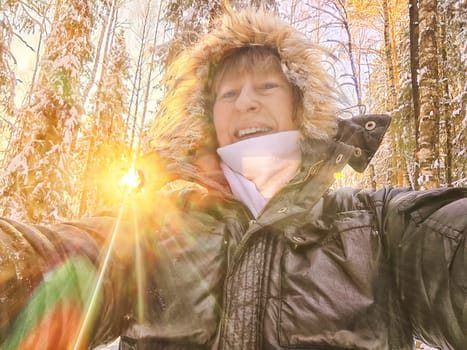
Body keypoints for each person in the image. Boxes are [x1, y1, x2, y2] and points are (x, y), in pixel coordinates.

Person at [1, 7, 466, 350]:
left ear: (301, 108)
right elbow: (58, 261)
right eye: (228, 93)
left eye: (267, 86)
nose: (246, 102)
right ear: (208, 120)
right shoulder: (153, 232)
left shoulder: (377, 227)